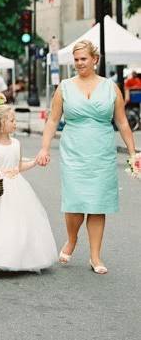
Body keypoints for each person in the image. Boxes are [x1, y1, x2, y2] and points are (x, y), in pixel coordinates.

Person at [35, 40, 136, 275]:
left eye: (83, 59)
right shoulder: (65, 87)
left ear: (95, 60)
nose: (79, 63)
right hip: (74, 151)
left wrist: (133, 152)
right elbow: (52, 120)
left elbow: (122, 122)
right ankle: (71, 239)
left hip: (101, 151)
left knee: (98, 204)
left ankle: (95, 256)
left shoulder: (111, 88)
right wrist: (44, 148)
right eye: (76, 59)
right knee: (75, 203)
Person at [0, 105, 57, 275]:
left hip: (17, 187)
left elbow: (18, 166)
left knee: (18, 223)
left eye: (15, 120)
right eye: (12, 120)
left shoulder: (16, 143)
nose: (15, 123)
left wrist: (35, 162)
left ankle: (20, 257)